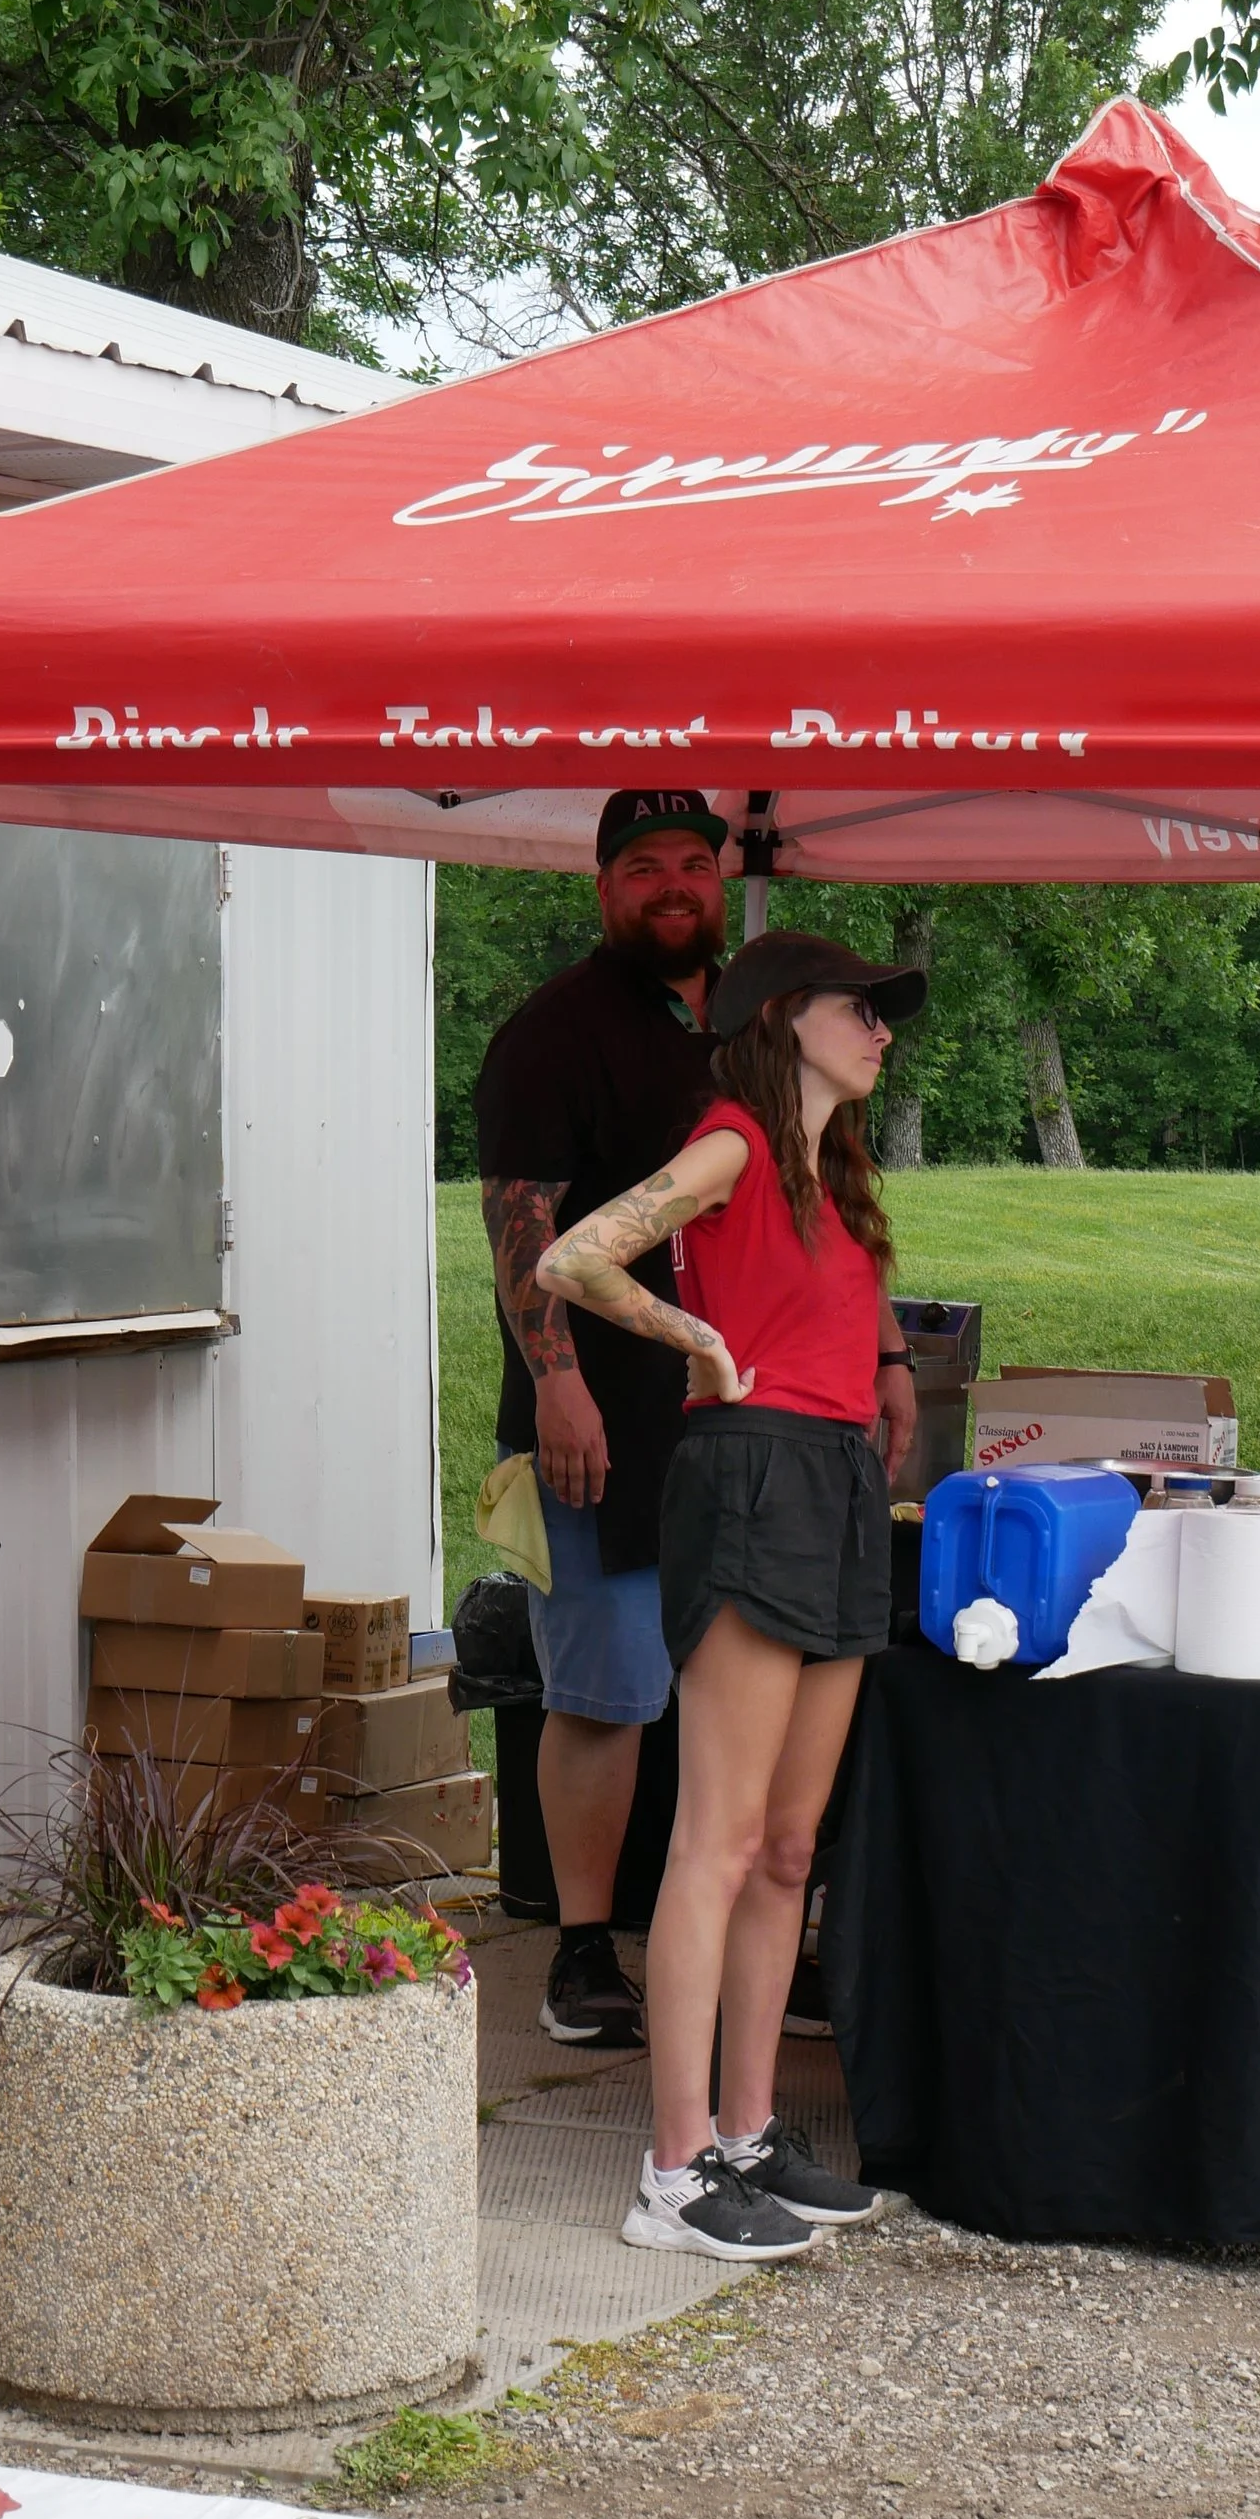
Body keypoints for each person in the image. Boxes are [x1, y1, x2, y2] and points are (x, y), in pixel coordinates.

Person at [474, 800, 920, 2048]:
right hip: (602, 1418)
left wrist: (886, 1355)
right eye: (642, 868)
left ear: (721, 880)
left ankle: (750, 1966)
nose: (671, 886)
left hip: (763, 1437)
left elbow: (843, 1202)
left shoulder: (781, 1017)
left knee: (753, 1734)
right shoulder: (551, 1033)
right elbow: (528, 1227)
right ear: (602, 885)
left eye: (692, 865)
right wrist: (555, 1380)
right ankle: (579, 1946)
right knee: (607, 1687)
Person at [535, 929, 928, 2259]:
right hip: (751, 1474)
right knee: (718, 1833)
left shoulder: (843, 1173)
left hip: (830, 1482)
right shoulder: (736, 1143)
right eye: (859, 1010)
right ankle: (674, 2170)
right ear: (781, 1020)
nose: (881, 1031)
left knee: (790, 1846)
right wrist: (691, 1336)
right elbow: (578, 1255)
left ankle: (750, 2137)